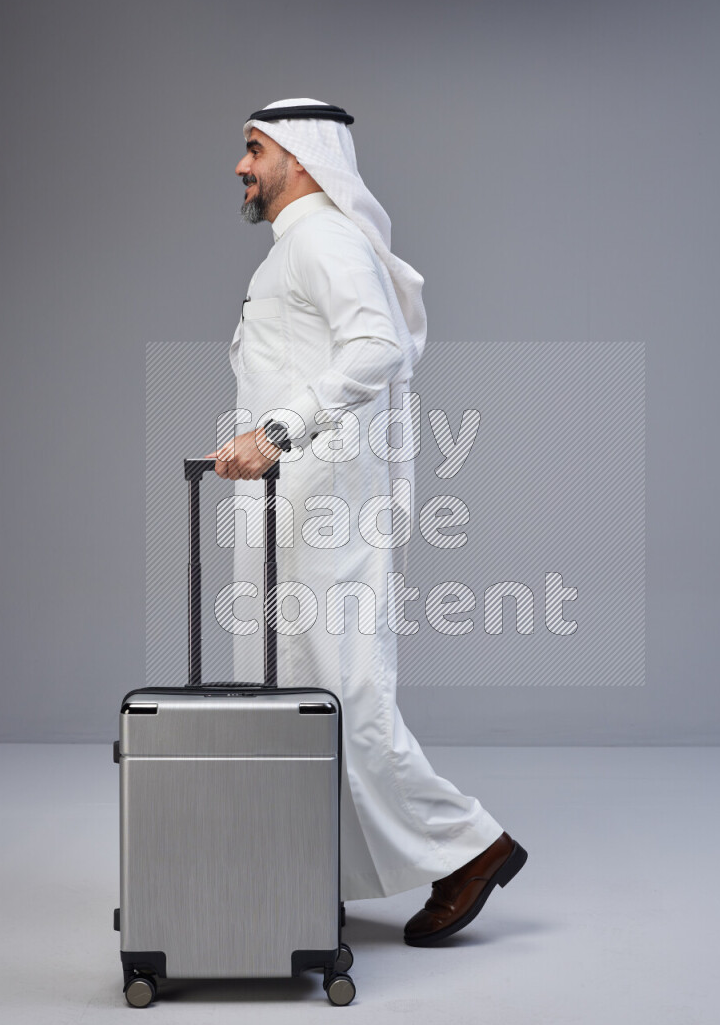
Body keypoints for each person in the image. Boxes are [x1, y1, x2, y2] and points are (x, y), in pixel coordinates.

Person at [205, 98, 526, 946]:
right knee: (285, 697)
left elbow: (378, 345)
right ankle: (307, 875)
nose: (240, 167)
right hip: (289, 509)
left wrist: (275, 433)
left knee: (343, 695)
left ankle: (469, 846)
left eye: (252, 150)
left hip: (330, 509)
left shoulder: (324, 240)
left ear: (301, 158)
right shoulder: (293, 250)